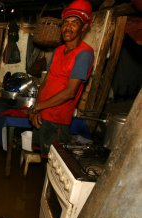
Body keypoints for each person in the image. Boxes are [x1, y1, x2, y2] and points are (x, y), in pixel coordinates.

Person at [29, 0, 95, 157]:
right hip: (43, 114)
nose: (68, 27)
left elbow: (70, 92)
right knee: (44, 158)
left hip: (57, 119)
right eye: (66, 23)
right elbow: (46, 81)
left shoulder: (84, 54)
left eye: (74, 23)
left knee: (54, 164)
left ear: (84, 27)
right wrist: (37, 107)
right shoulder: (58, 50)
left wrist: (38, 107)